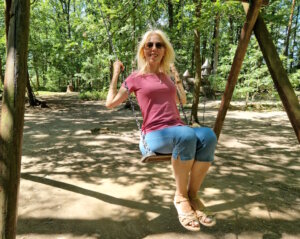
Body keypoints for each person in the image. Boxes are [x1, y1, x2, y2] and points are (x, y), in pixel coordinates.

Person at [106, 29, 217, 232]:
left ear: (165, 50)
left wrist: (177, 80)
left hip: (178, 129)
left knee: (209, 136)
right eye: (150, 45)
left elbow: (181, 101)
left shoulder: (166, 77)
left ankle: (193, 195)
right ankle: (180, 197)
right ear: (143, 50)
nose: (154, 48)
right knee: (186, 135)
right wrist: (115, 74)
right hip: (153, 135)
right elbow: (110, 103)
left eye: (159, 45)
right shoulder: (135, 78)